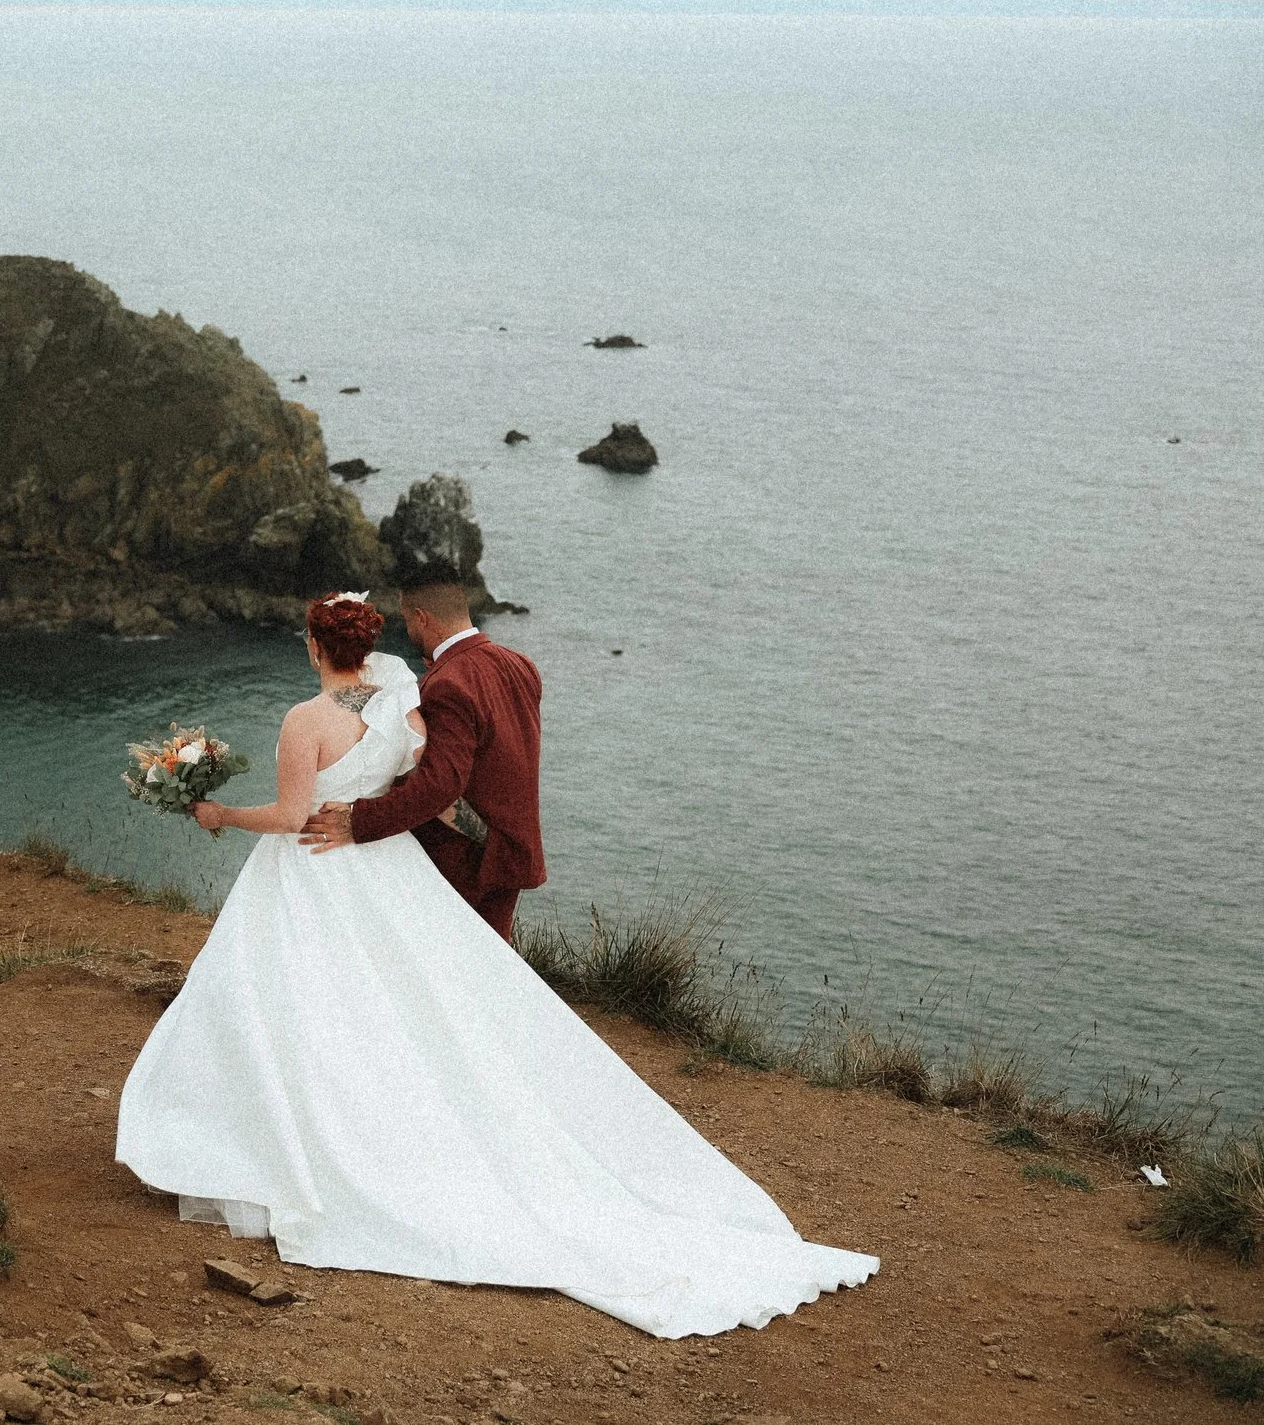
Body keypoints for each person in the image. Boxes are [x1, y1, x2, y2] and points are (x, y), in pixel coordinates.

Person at [114, 592, 876, 1340]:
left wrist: (217, 813)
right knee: (393, 1004)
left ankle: (273, 1141)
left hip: (313, 871)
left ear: (314, 649)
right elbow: (420, 771)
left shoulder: (304, 721)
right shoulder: (399, 707)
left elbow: (288, 817)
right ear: (363, 645)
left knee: (289, 1002)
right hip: (383, 873)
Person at [294, 570, 543, 941]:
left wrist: (358, 821)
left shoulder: (447, 683)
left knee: (446, 966)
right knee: (493, 963)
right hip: (511, 854)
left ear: (423, 617)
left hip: (466, 862)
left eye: (408, 619)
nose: (409, 630)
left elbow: (439, 784)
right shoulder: (520, 665)